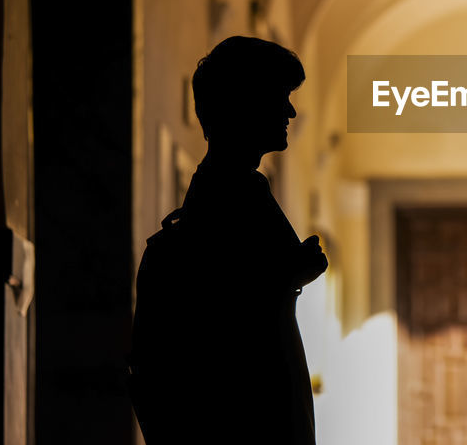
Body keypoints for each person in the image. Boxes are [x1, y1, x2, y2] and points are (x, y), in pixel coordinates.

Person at [130, 36, 327, 444]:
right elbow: (224, 322)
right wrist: (288, 272)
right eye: (280, 97)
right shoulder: (227, 196)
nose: (290, 111)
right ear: (246, 103)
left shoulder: (243, 190)